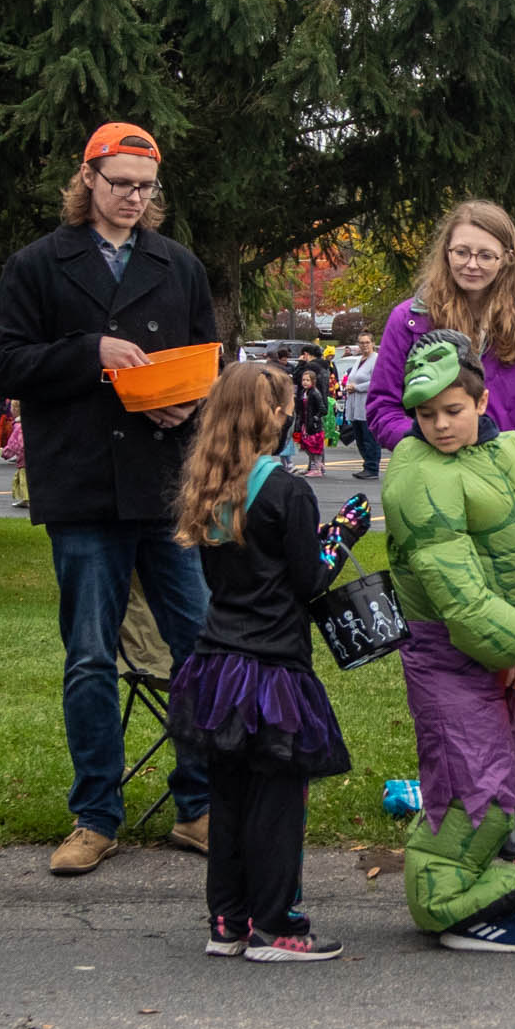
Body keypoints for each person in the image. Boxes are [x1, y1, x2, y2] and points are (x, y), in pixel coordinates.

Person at [0, 121, 219, 875]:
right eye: (119, 184)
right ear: (87, 178)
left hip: (164, 488)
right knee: (90, 658)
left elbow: (211, 360)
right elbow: (8, 364)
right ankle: (95, 815)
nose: (132, 198)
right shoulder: (37, 266)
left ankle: (200, 806)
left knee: (200, 649)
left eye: (145, 188)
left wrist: (188, 402)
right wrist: (92, 354)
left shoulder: (177, 266)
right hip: (83, 489)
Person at [383, 335, 515, 951]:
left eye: (452, 410)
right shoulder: (416, 474)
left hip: (509, 647)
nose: (439, 425)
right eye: (425, 414)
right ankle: (440, 897)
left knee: (507, 772)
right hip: (449, 652)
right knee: (471, 778)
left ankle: (479, 880)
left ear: (482, 401)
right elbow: (454, 588)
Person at [169, 361, 349, 962]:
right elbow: (309, 579)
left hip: (218, 662)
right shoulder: (288, 489)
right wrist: (342, 536)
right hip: (273, 666)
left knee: (230, 795)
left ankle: (229, 918)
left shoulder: (211, 484)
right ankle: (277, 924)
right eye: (287, 403)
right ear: (272, 414)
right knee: (277, 797)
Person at [366, 201, 515, 456]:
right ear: (447, 252)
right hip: (429, 479)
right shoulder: (408, 320)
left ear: (507, 258)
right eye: (462, 252)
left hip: (505, 480)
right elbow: (382, 408)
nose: (472, 264)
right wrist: (427, 444)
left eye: (486, 255)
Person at [339, 342, 381, 479]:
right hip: (355, 405)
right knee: (360, 438)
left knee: (370, 438)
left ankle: (372, 468)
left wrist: (357, 387)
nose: (364, 345)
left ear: (372, 343)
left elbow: (377, 381)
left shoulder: (376, 359)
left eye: (367, 342)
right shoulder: (359, 360)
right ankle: (367, 465)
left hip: (368, 405)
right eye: (361, 343)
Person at [290, 361, 331, 476]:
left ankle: (317, 468)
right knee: (306, 446)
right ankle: (314, 466)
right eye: (303, 380)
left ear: (313, 381)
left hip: (313, 425)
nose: (305, 382)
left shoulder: (315, 393)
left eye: (307, 380)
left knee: (314, 447)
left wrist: (315, 418)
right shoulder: (304, 392)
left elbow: (323, 409)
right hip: (305, 424)